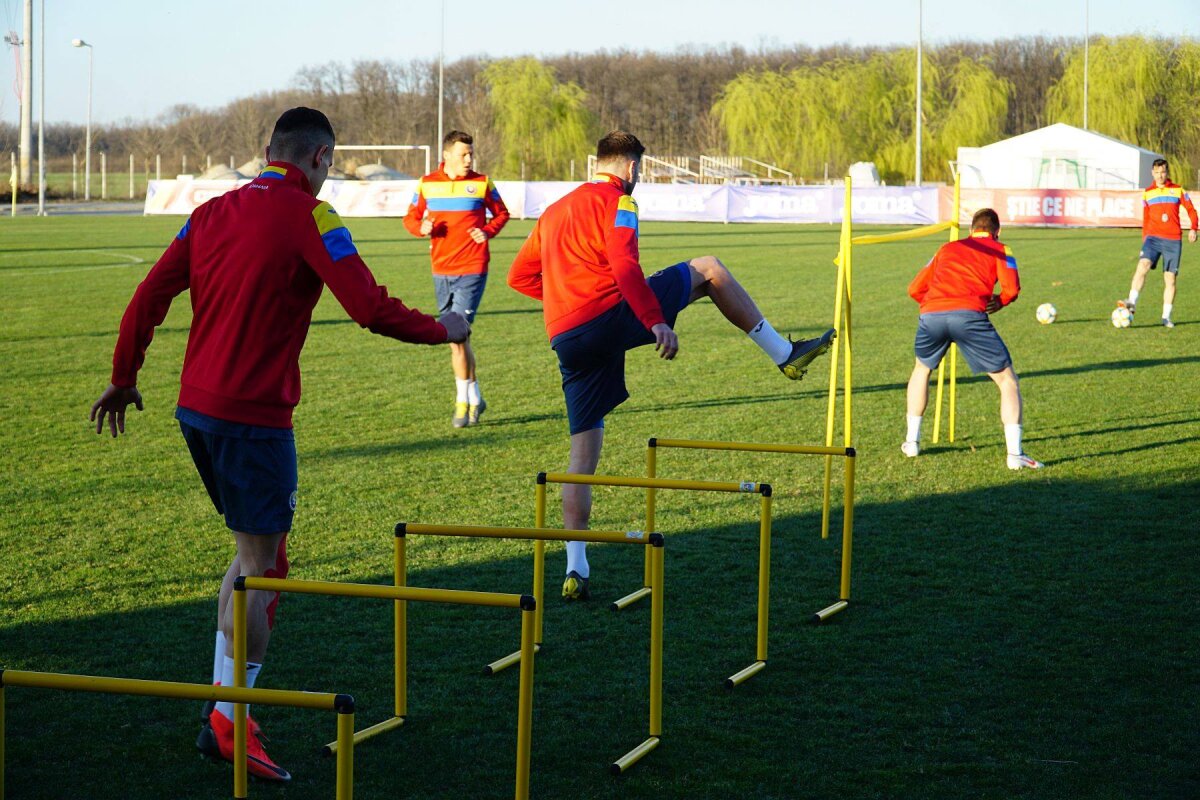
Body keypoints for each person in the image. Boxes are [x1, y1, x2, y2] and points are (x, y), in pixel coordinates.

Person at [89, 107, 469, 782]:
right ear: (321, 159)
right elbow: (370, 307)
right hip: (253, 421)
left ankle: (224, 707)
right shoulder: (311, 216)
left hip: (197, 412)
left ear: (268, 151)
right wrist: (445, 330)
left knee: (260, 559)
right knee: (259, 572)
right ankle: (230, 721)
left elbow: (148, 295)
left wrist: (124, 377)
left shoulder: (212, 211)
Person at [508, 130, 836, 601]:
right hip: (608, 315)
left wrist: (567, 300)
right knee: (710, 269)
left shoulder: (555, 210)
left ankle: (575, 568)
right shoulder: (620, 202)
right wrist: (654, 320)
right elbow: (623, 266)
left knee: (582, 455)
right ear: (632, 167)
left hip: (566, 336)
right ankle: (784, 354)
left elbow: (519, 276)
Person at [901, 208, 1041, 470]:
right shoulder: (1001, 249)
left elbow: (914, 288)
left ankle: (912, 442)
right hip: (969, 316)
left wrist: (936, 306)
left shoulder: (945, 249)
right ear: (997, 232)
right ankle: (1015, 455)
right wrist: (999, 302)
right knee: (1007, 381)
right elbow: (1011, 289)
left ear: (970, 230)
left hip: (931, 315)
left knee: (921, 370)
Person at [404, 130, 510, 427]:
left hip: (473, 267)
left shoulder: (482, 182)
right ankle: (476, 397)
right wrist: (421, 228)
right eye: (463, 154)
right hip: (440, 269)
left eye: (471, 154)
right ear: (447, 155)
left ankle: (463, 403)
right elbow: (410, 218)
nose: (468, 159)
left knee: (457, 335)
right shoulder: (427, 184)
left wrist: (487, 231)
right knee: (457, 340)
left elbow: (502, 214)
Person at [1117, 158, 1197, 328]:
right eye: (1157, 172)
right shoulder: (1147, 193)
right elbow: (1146, 219)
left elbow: (1191, 209)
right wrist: (1145, 239)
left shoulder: (1177, 190)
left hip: (1173, 240)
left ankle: (1166, 317)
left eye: (1163, 172)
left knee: (1170, 280)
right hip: (1152, 239)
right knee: (1142, 266)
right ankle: (1131, 303)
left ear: (1167, 173)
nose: (1160, 175)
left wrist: (1193, 228)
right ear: (1152, 173)